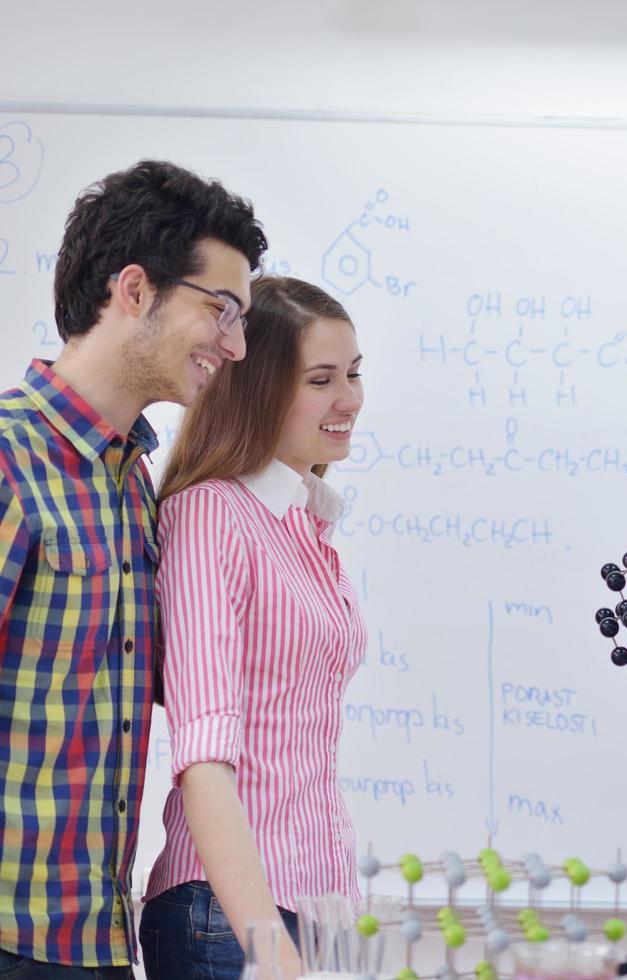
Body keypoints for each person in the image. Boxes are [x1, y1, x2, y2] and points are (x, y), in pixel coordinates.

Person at [0, 160, 264, 976]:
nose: (237, 344)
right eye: (221, 310)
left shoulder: (133, 481)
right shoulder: (11, 458)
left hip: (96, 939)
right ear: (136, 289)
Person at [138, 276, 367, 980]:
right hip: (231, 918)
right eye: (322, 379)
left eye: (355, 374)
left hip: (310, 910)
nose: (350, 399)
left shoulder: (305, 526)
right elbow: (204, 755)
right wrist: (272, 952)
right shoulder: (212, 515)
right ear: (258, 387)